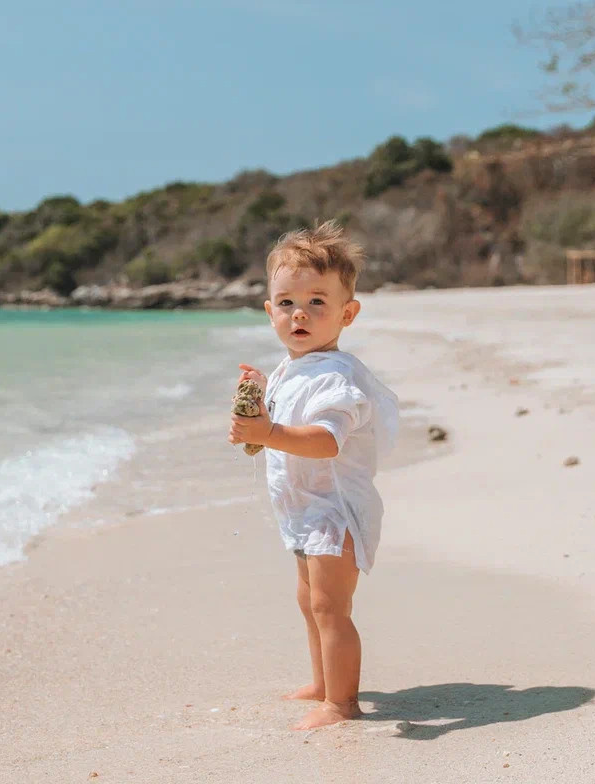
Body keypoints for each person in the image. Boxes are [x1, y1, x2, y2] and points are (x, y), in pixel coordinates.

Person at [228, 220, 399, 730]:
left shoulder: (337, 379)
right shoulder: (292, 368)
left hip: (335, 511)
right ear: (270, 312)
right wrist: (259, 396)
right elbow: (280, 418)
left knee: (330, 607)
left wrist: (268, 431)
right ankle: (324, 682)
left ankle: (342, 704)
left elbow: (326, 441)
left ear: (348, 313)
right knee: (308, 601)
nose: (299, 313)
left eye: (316, 302)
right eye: (286, 303)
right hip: (304, 508)